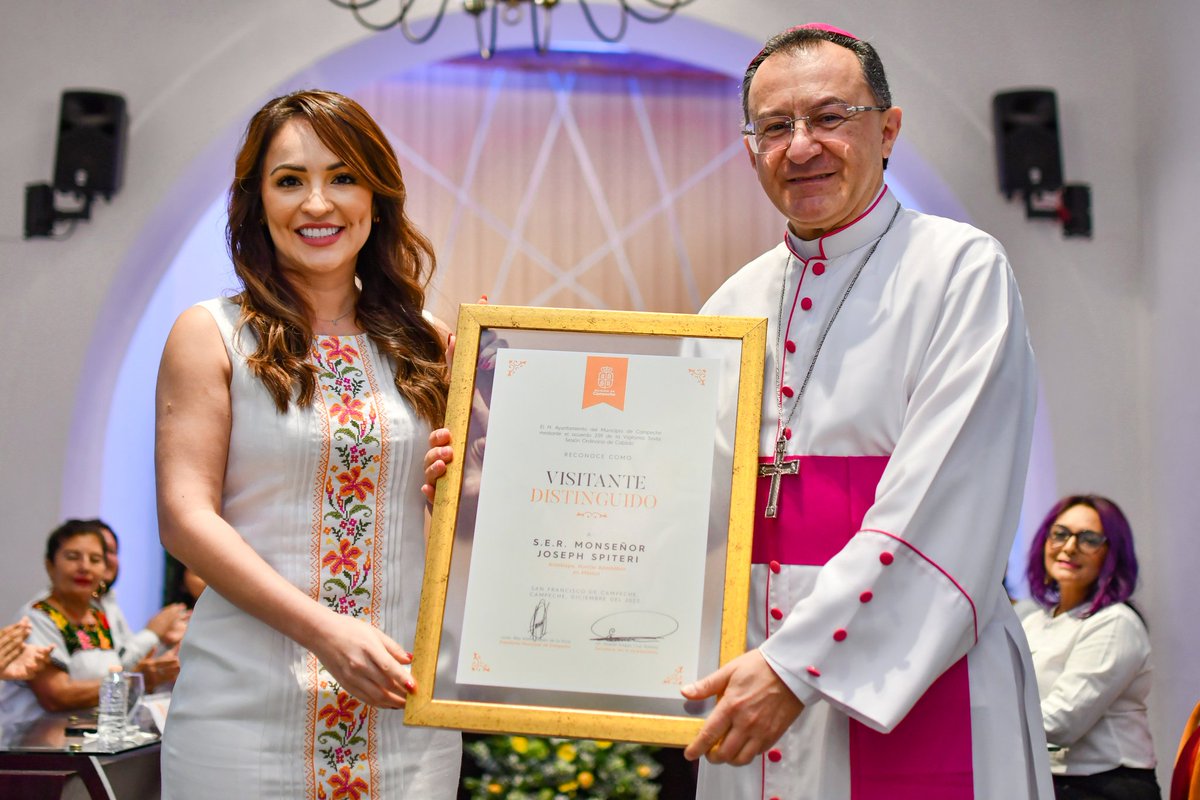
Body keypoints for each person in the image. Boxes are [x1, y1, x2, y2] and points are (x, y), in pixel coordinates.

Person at [424, 22, 1050, 799]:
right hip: (748, 677)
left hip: (899, 675)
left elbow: (948, 501)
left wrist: (796, 666)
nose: (801, 147)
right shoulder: (733, 305)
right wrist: (495, 489)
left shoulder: (960, 270)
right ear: (748, 147)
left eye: (829, 118)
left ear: (888, 129)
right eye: (775, 127)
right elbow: (661, 508)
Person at [155, 89, 461, 799]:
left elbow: (465, 521)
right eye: (289, 180)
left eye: (343, 176)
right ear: (256, 202)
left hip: (405, 712)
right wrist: (326, 631)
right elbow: (185, 517)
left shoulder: (433, 344)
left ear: (377, 197)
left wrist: (466, 486)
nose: (318, 203)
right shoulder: (212, 335)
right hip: (243, 716)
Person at [1021, 495, 1159, 799]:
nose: (1069, 547)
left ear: (1112, 554)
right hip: (1050, 783)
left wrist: (980, 726)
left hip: (1106, 786)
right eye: (1060, 534)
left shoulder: (1115, 623)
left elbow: (1063, 721)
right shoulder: (1035, 622)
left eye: (1089, 539)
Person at [0, 522, 168, 725]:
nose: (85, 567)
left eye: (95, 560)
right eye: (72, 557)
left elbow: (118, 667)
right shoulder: (37, 617)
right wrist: (132, 682)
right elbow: (56, 697)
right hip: (34, 743)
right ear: (50, 565)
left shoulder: (99, 614)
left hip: (91, 737)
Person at [85, 519, 187, 684]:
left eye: (111, 551)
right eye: (97, 554)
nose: (105, 560)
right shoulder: (47, 611)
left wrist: (165, 647)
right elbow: (116, 669)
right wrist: (153, 633)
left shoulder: (107, 601)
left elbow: (126, 665)